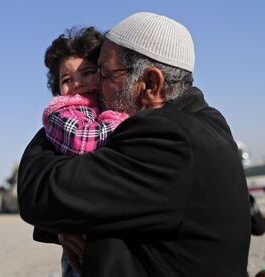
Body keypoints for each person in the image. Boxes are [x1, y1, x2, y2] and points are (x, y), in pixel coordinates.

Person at [18, 12, 251, 276]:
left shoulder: (168, 140)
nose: (93, 87)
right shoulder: (206, 121)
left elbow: (39, 192)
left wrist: (57, 116)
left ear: (150, 84)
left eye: (104, 74)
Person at [37, 26, 128, 277]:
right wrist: (124, 120)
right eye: (67, 80)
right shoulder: (60, 113)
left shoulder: (106, 106)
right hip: (81, 235)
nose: (78, 84)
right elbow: (83, 142)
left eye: (87, 73)